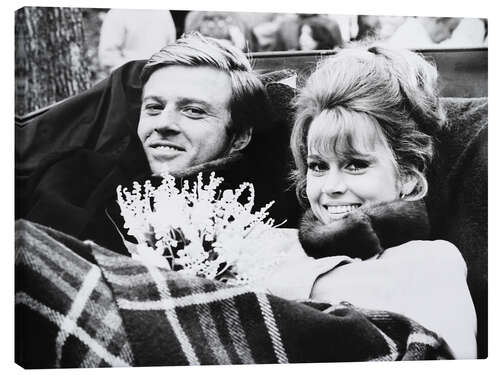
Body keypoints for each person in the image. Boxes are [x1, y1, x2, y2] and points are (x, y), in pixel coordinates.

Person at [253, 42, 477, 359]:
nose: (330, 186)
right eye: (317, 166)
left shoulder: (432, 261)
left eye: (355, 164)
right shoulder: (268, 244)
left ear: (408, 176)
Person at [17, 33, 299, 255]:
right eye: (153, 107)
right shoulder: (70, 181)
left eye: (193, 111)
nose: (163, 124)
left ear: (239, 137)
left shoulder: (269, 216)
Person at [98, 9, 177, 73]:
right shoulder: (118, 12)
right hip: (128, 82)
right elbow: (108, 57)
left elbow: (171, 50)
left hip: (157, 80)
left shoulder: (163, 12)